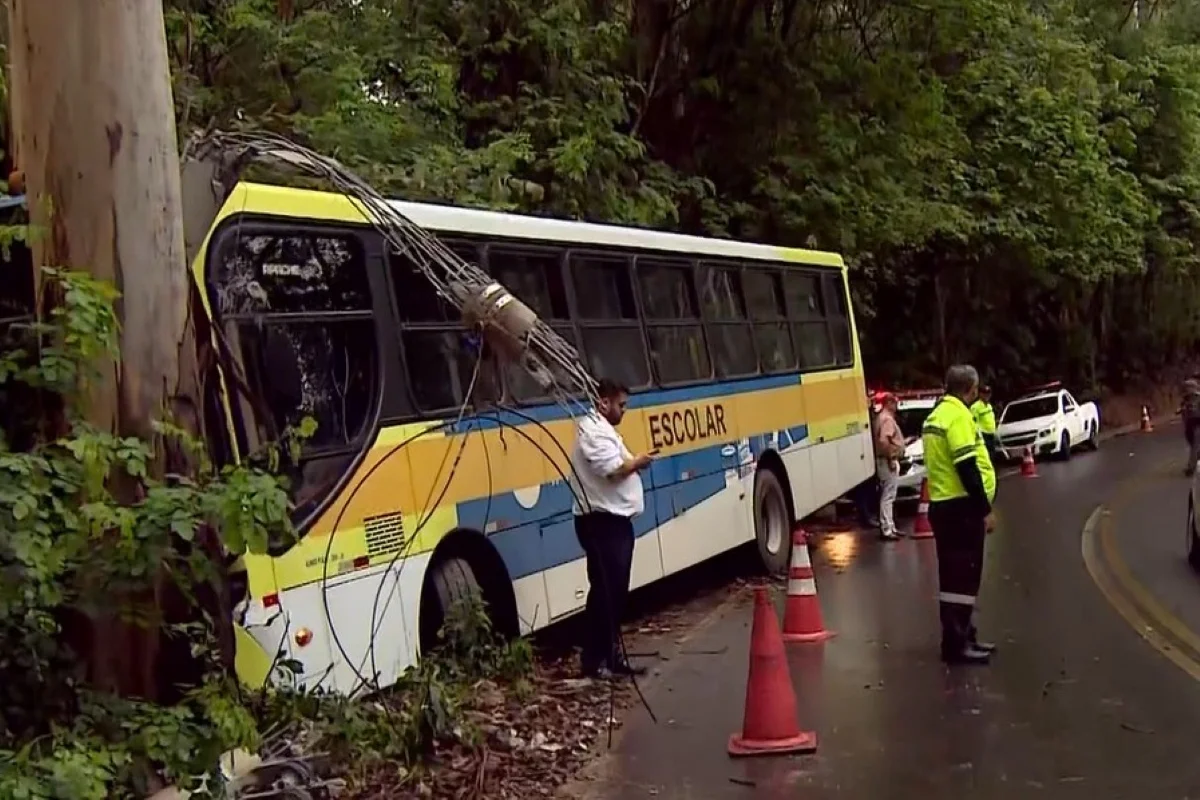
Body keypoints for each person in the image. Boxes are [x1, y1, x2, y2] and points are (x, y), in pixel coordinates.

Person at [570, 378, 657, 679]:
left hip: (613, 521)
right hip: (601, 522)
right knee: (607, 593)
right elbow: (611, 470)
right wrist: (638, 463)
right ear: (603, 402)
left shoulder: (603, 431)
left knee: (613, 592)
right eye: (621, 405)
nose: (624, 411)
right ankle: (596, 660)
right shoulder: (592, 432)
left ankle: (608, 655)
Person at [921, 364, 997, 665]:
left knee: (954, 577)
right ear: (971, 389)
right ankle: (957, 645)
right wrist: (984, 510)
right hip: (960, 508)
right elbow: (967, 467)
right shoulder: (958, 417)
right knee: (963, 579)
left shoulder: (937, 415)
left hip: (944, 506)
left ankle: (963, 635)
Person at [874, 393, 905, 540]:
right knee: (888, 496)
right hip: (887, 461)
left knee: (888, 495)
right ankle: (887, 528)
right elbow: (884, 440)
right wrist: (891, 457)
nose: (896, 406)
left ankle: (890, 526)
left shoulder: (881, 417)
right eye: (895, 403)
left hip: (883, 460)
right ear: (890, 403)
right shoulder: (887, 419)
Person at [971, 385, 998, 460]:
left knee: (993, 455)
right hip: (983, 434)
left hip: (991, 433)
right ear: (980, 394)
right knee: (987, 455)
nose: (987, 396)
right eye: (985, 393)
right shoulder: (975, 407)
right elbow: (973, 422)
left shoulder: (989, 406)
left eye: (988, 393)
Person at [1182, 376, 1200, 476]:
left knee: (1195, 445)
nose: (1188, 390)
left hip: (1198, 423)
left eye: (1190, 387)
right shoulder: (1186, 399)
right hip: (1190, 424)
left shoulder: (1198, 397)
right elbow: (1184, 412)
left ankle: (1191, 467)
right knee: (1192, 443)